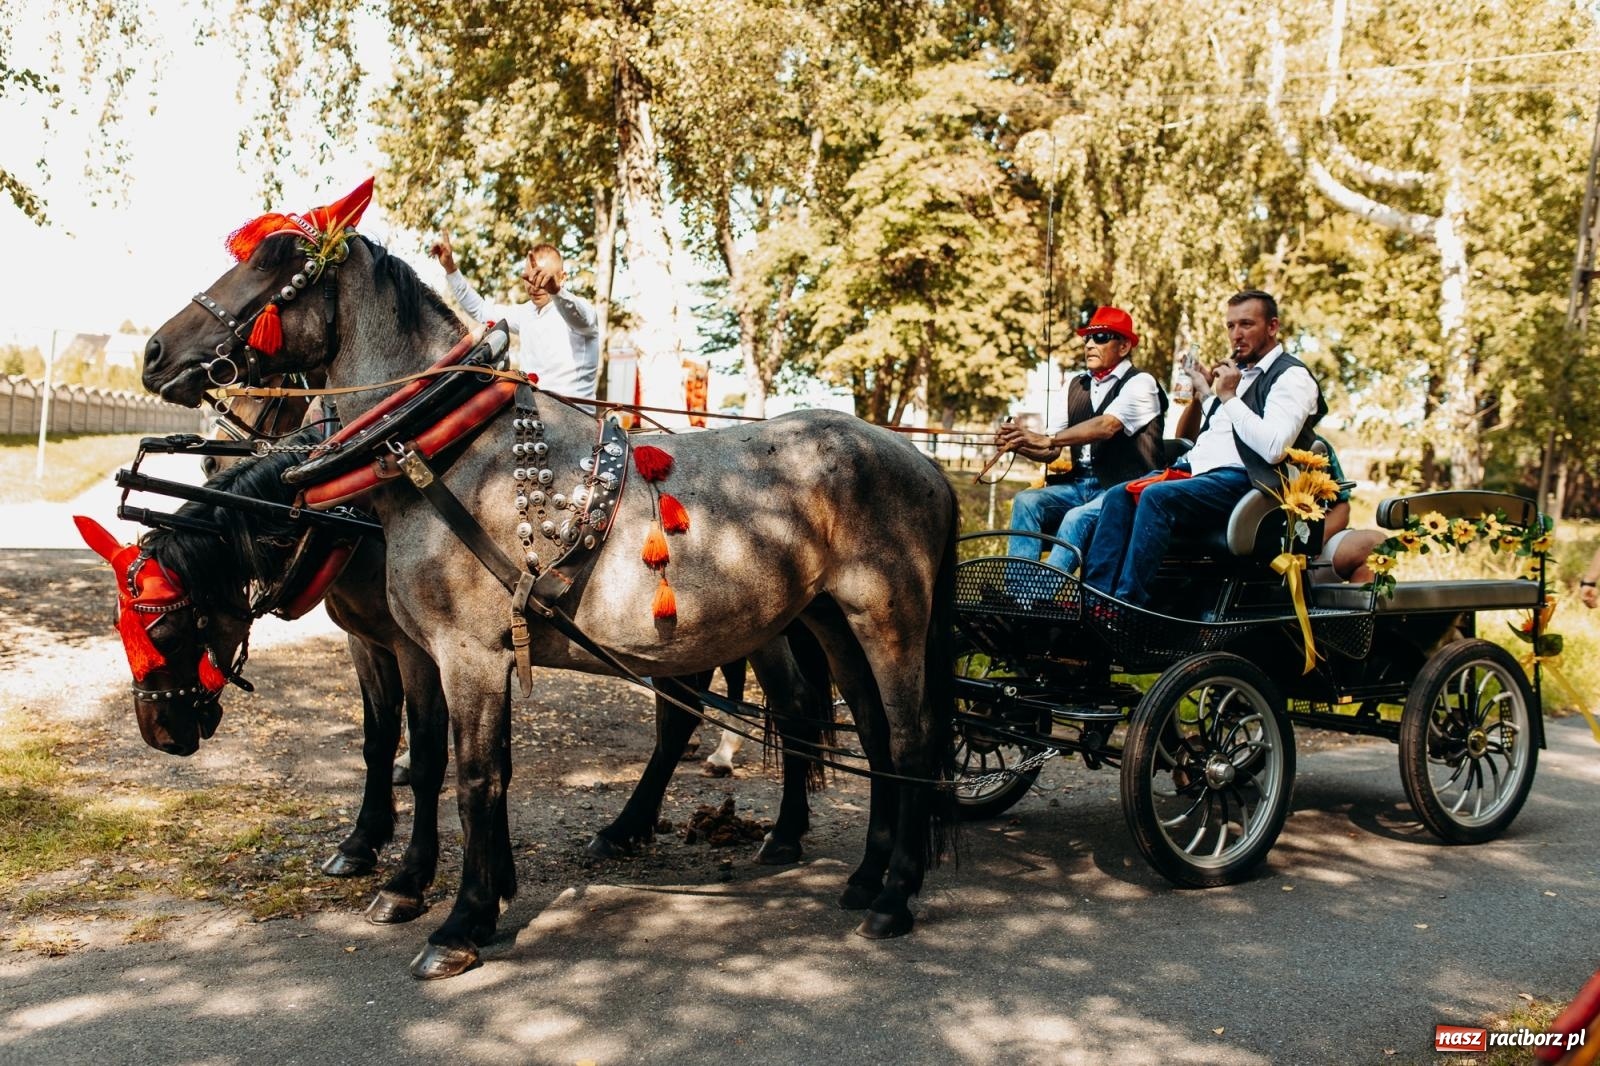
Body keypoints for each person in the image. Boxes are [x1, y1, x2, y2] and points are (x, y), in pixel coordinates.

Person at [1082, 289, 1327, 607]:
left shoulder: (1291, 376)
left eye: (1246, 325)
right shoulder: (1244, 375)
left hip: (1245, 482)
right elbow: (1226, 430)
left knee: (1156, 498)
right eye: (1230, 326)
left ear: (1272, 327)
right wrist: (1207, 393)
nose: (1236, 335)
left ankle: (1127, 607)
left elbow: (1273, 448)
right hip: (1196, 473)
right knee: (1119, 495)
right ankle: (1094, 602)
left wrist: (1228, 397)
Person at [996, 306, 1166, 575]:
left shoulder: (1141, 383)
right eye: (1087, 338)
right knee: (1026, 501)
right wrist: (1021, 443)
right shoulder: (1075, 385)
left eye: (1100, 338)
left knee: (1075, 518)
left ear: (1123, 347)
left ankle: (1037, 597)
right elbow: (1051, 451)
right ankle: (1017, 597)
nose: (1089, 344)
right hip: (1078, 485)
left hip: (1123, 490)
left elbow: (1106, 425)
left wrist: (1047, 440)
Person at [431, 233, 600, 400]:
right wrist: (450, 268)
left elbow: (575, 313)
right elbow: (480, 309)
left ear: (562, 278)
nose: (535, 285)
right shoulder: (525, 313)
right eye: (530, 278)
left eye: (543, 278)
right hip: (535, 414)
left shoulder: (582, 314)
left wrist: (555, 290)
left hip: (575, 417)